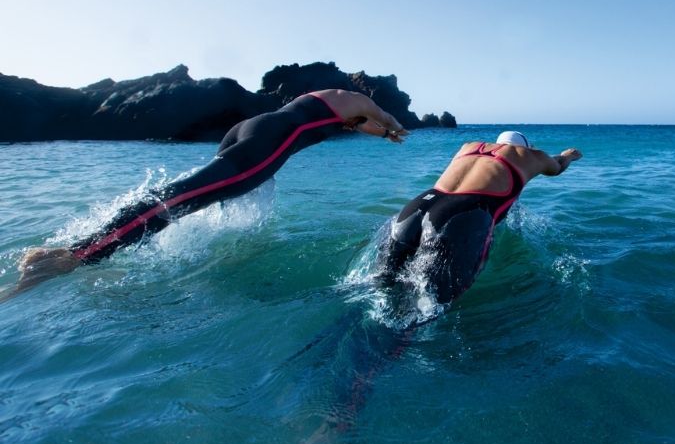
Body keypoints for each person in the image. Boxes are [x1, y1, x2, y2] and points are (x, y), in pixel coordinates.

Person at [13, 90, 409, 295]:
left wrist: (367, 126)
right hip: (269, 140)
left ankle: (90, 245)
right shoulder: (361, 102)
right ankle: (72, 256)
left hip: (251, 128)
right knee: (179, 199)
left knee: (187, 196)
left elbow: (357, 123)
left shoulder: (329, 101)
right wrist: (394, 130)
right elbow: (383, 119)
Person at [378, 130, 582, 304]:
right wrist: (568, 155)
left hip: (421, 204)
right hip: (463, 213)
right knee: (430, 303)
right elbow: (558, 166)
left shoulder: (469, 146)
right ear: (526, 146)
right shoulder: (531, 155)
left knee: (381, 282)